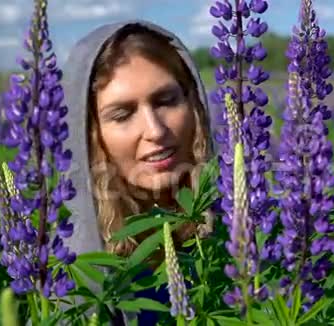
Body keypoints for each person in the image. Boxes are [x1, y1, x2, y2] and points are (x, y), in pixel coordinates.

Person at [61, 20, 216, 325]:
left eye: (166, 100)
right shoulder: (71, 272)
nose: (155, 130)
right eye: (123, 114)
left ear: (194, 104)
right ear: (89, 135)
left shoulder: (242, 231)